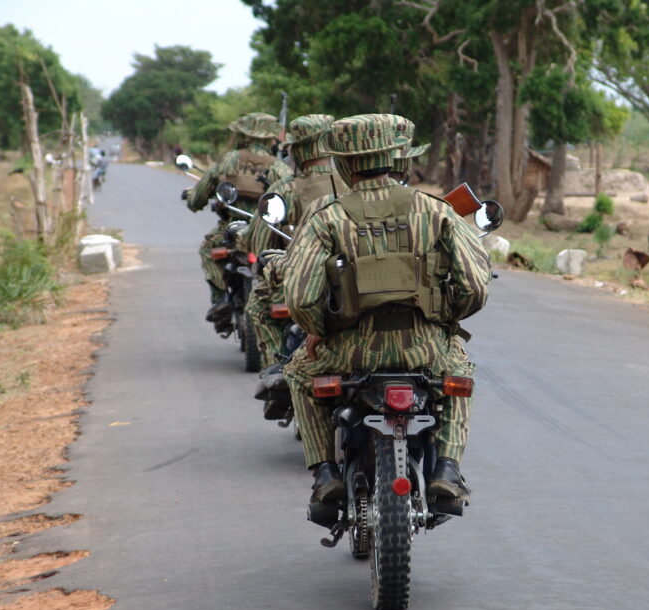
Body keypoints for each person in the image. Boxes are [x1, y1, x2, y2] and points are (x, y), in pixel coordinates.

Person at [282, 114, 491, 511]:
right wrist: (444, 320)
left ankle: (326, 474)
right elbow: (475, 287)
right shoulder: (436, 210)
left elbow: (301, 299)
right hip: (426, 350)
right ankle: (446, 469)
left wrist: (321, 330)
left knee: (297, 373)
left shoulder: (326, 216)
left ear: (344, 163)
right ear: (397, 158)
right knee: (460, 374)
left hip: (349, 352)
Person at [239, 114, 342, 374]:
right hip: (354, 282)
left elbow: (259, 244)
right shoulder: (352, 184)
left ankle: (279, 372)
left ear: (298, 150)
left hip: (301, 283)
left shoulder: (285, 189)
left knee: (259, 307)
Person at [184, 112, 291, 324]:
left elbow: (198, 198)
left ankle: (222, 297)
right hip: (269, 232)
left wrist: (193, 199)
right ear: (271, 138)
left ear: (243, 135)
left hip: (232, 229)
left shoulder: (228, 161)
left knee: (208, 249)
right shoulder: (280, 167)